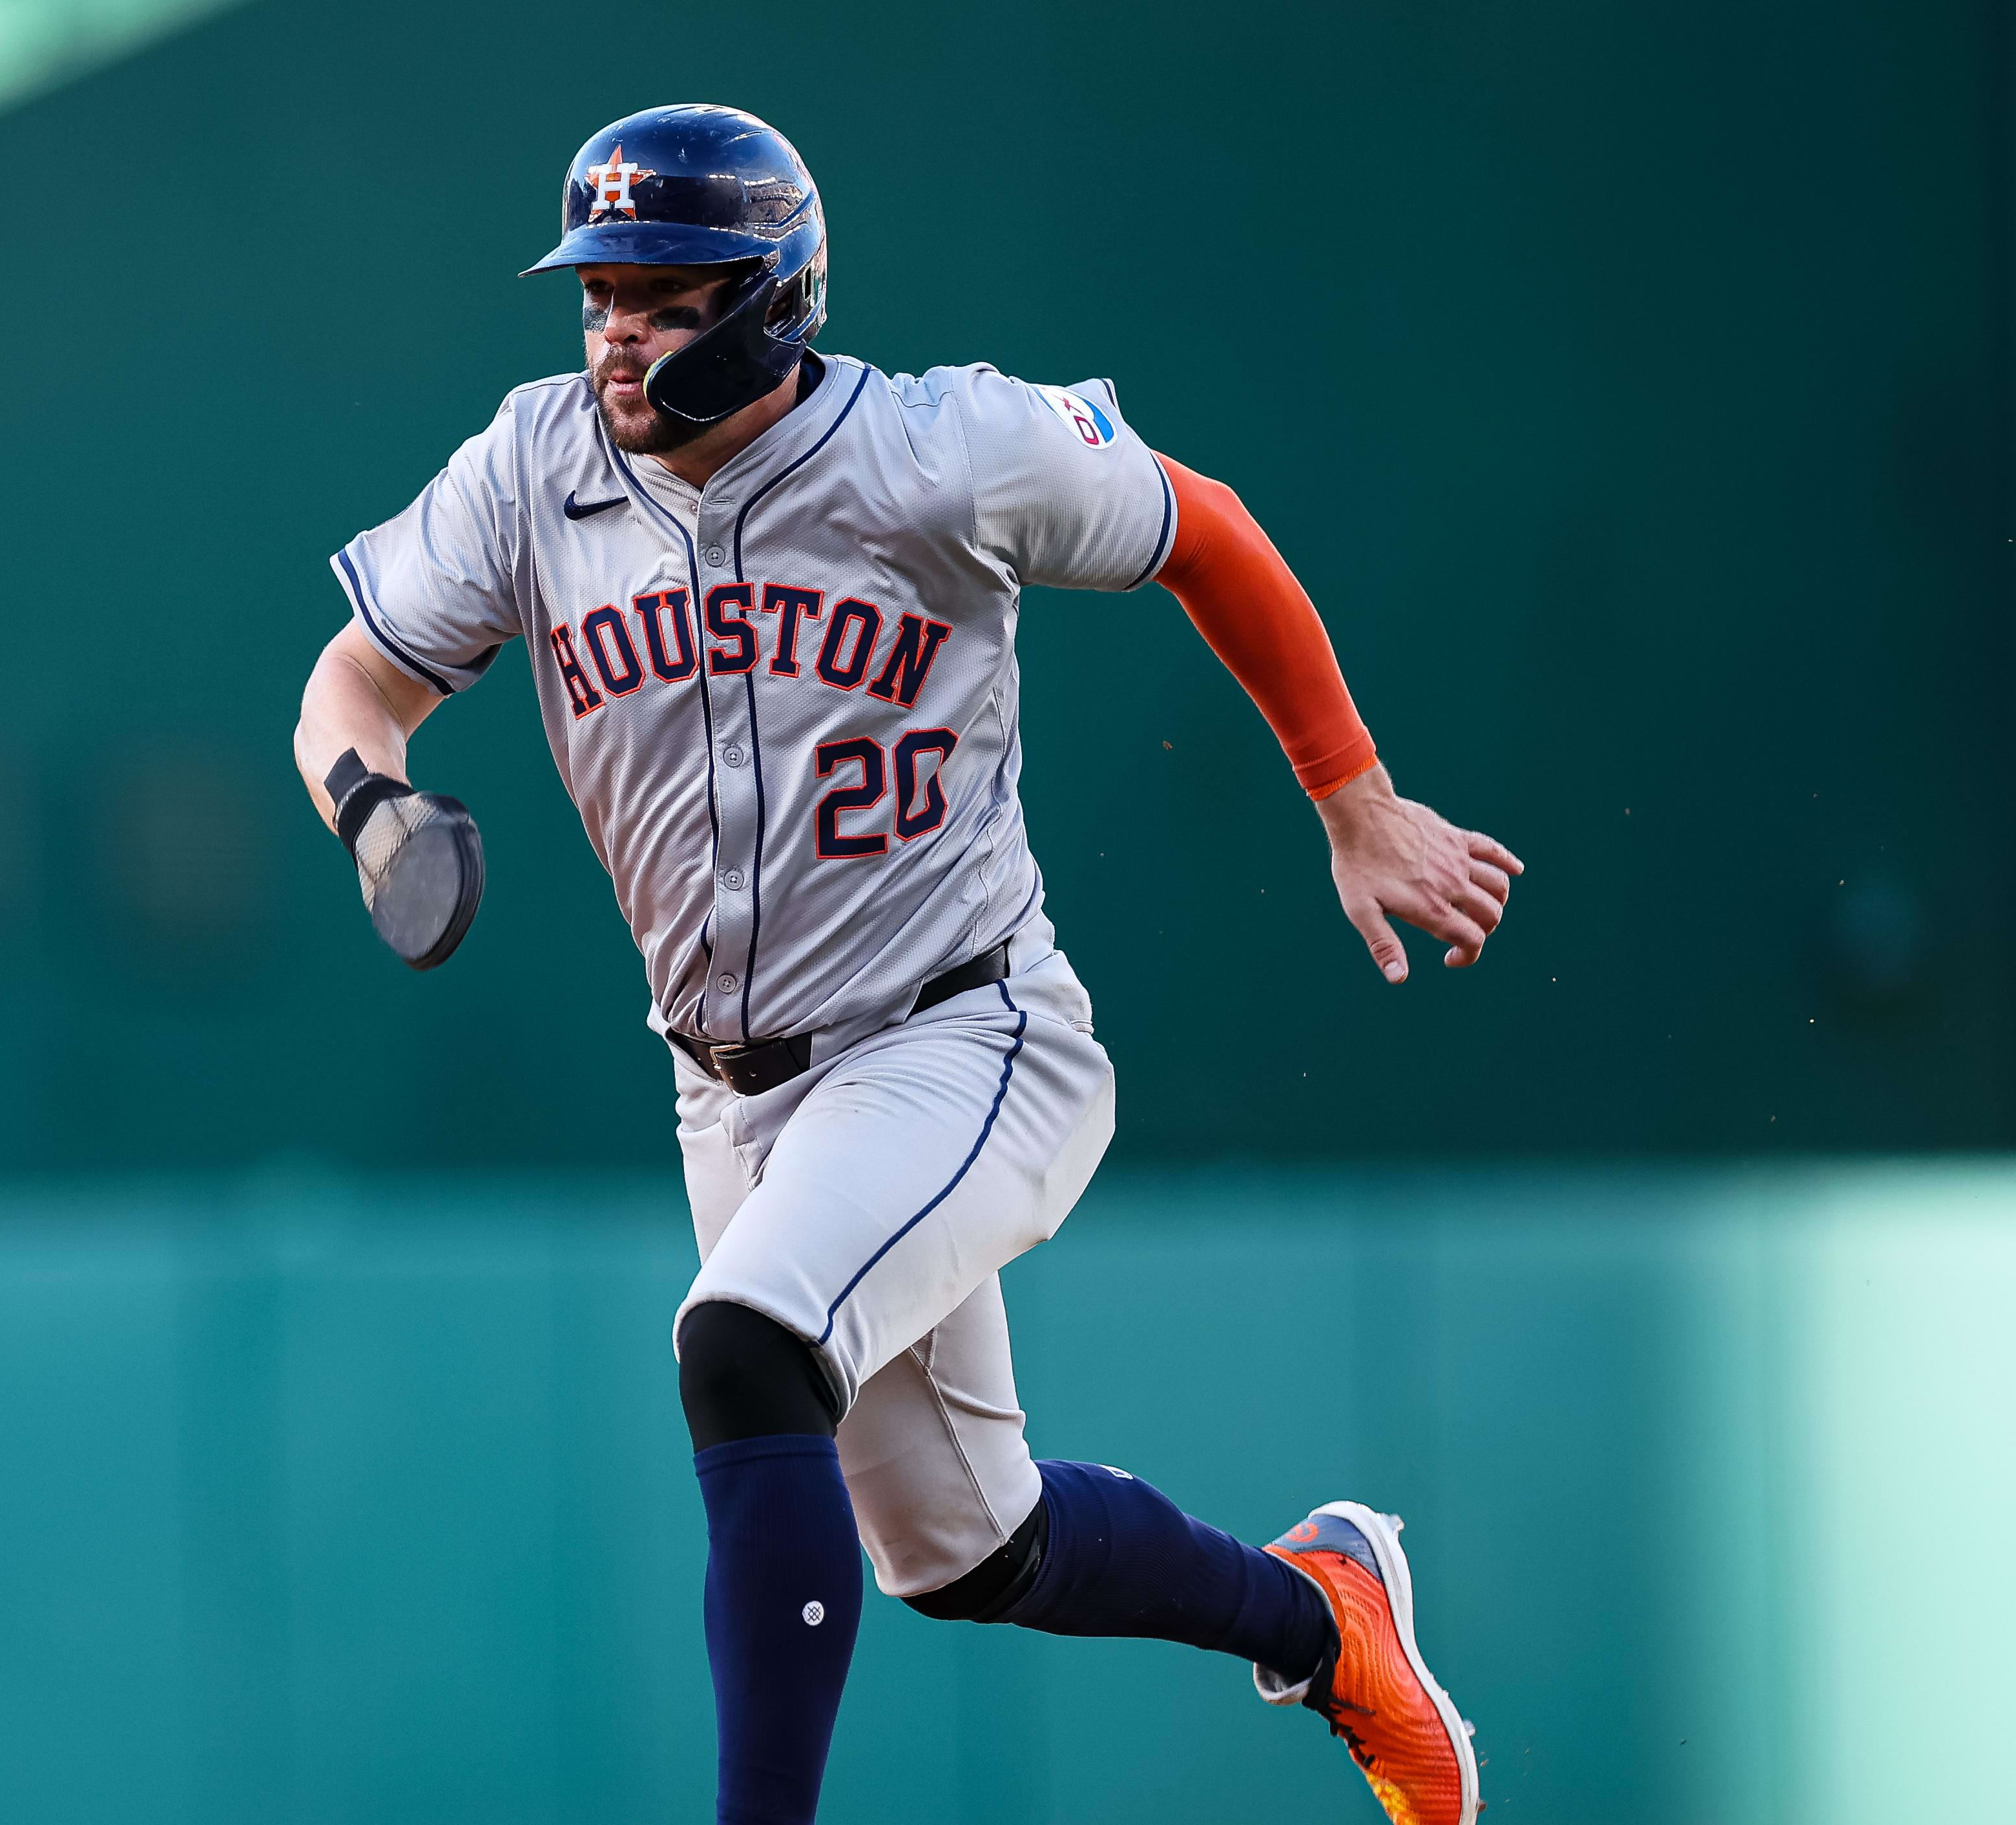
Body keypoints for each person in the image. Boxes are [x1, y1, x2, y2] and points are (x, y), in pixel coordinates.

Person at [290, 103, 1518, 1823]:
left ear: (773, 299)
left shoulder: (944, 449)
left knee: (741, 1343)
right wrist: (372, 815)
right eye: (598, 294)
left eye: (664, 292)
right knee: (966, 1546)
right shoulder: (532, 467)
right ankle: (1326, 1616)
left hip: (963, 1037)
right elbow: (348, 687)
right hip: (731, 1093)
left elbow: (1203, 524)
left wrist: (1356, 796)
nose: (618, 333)